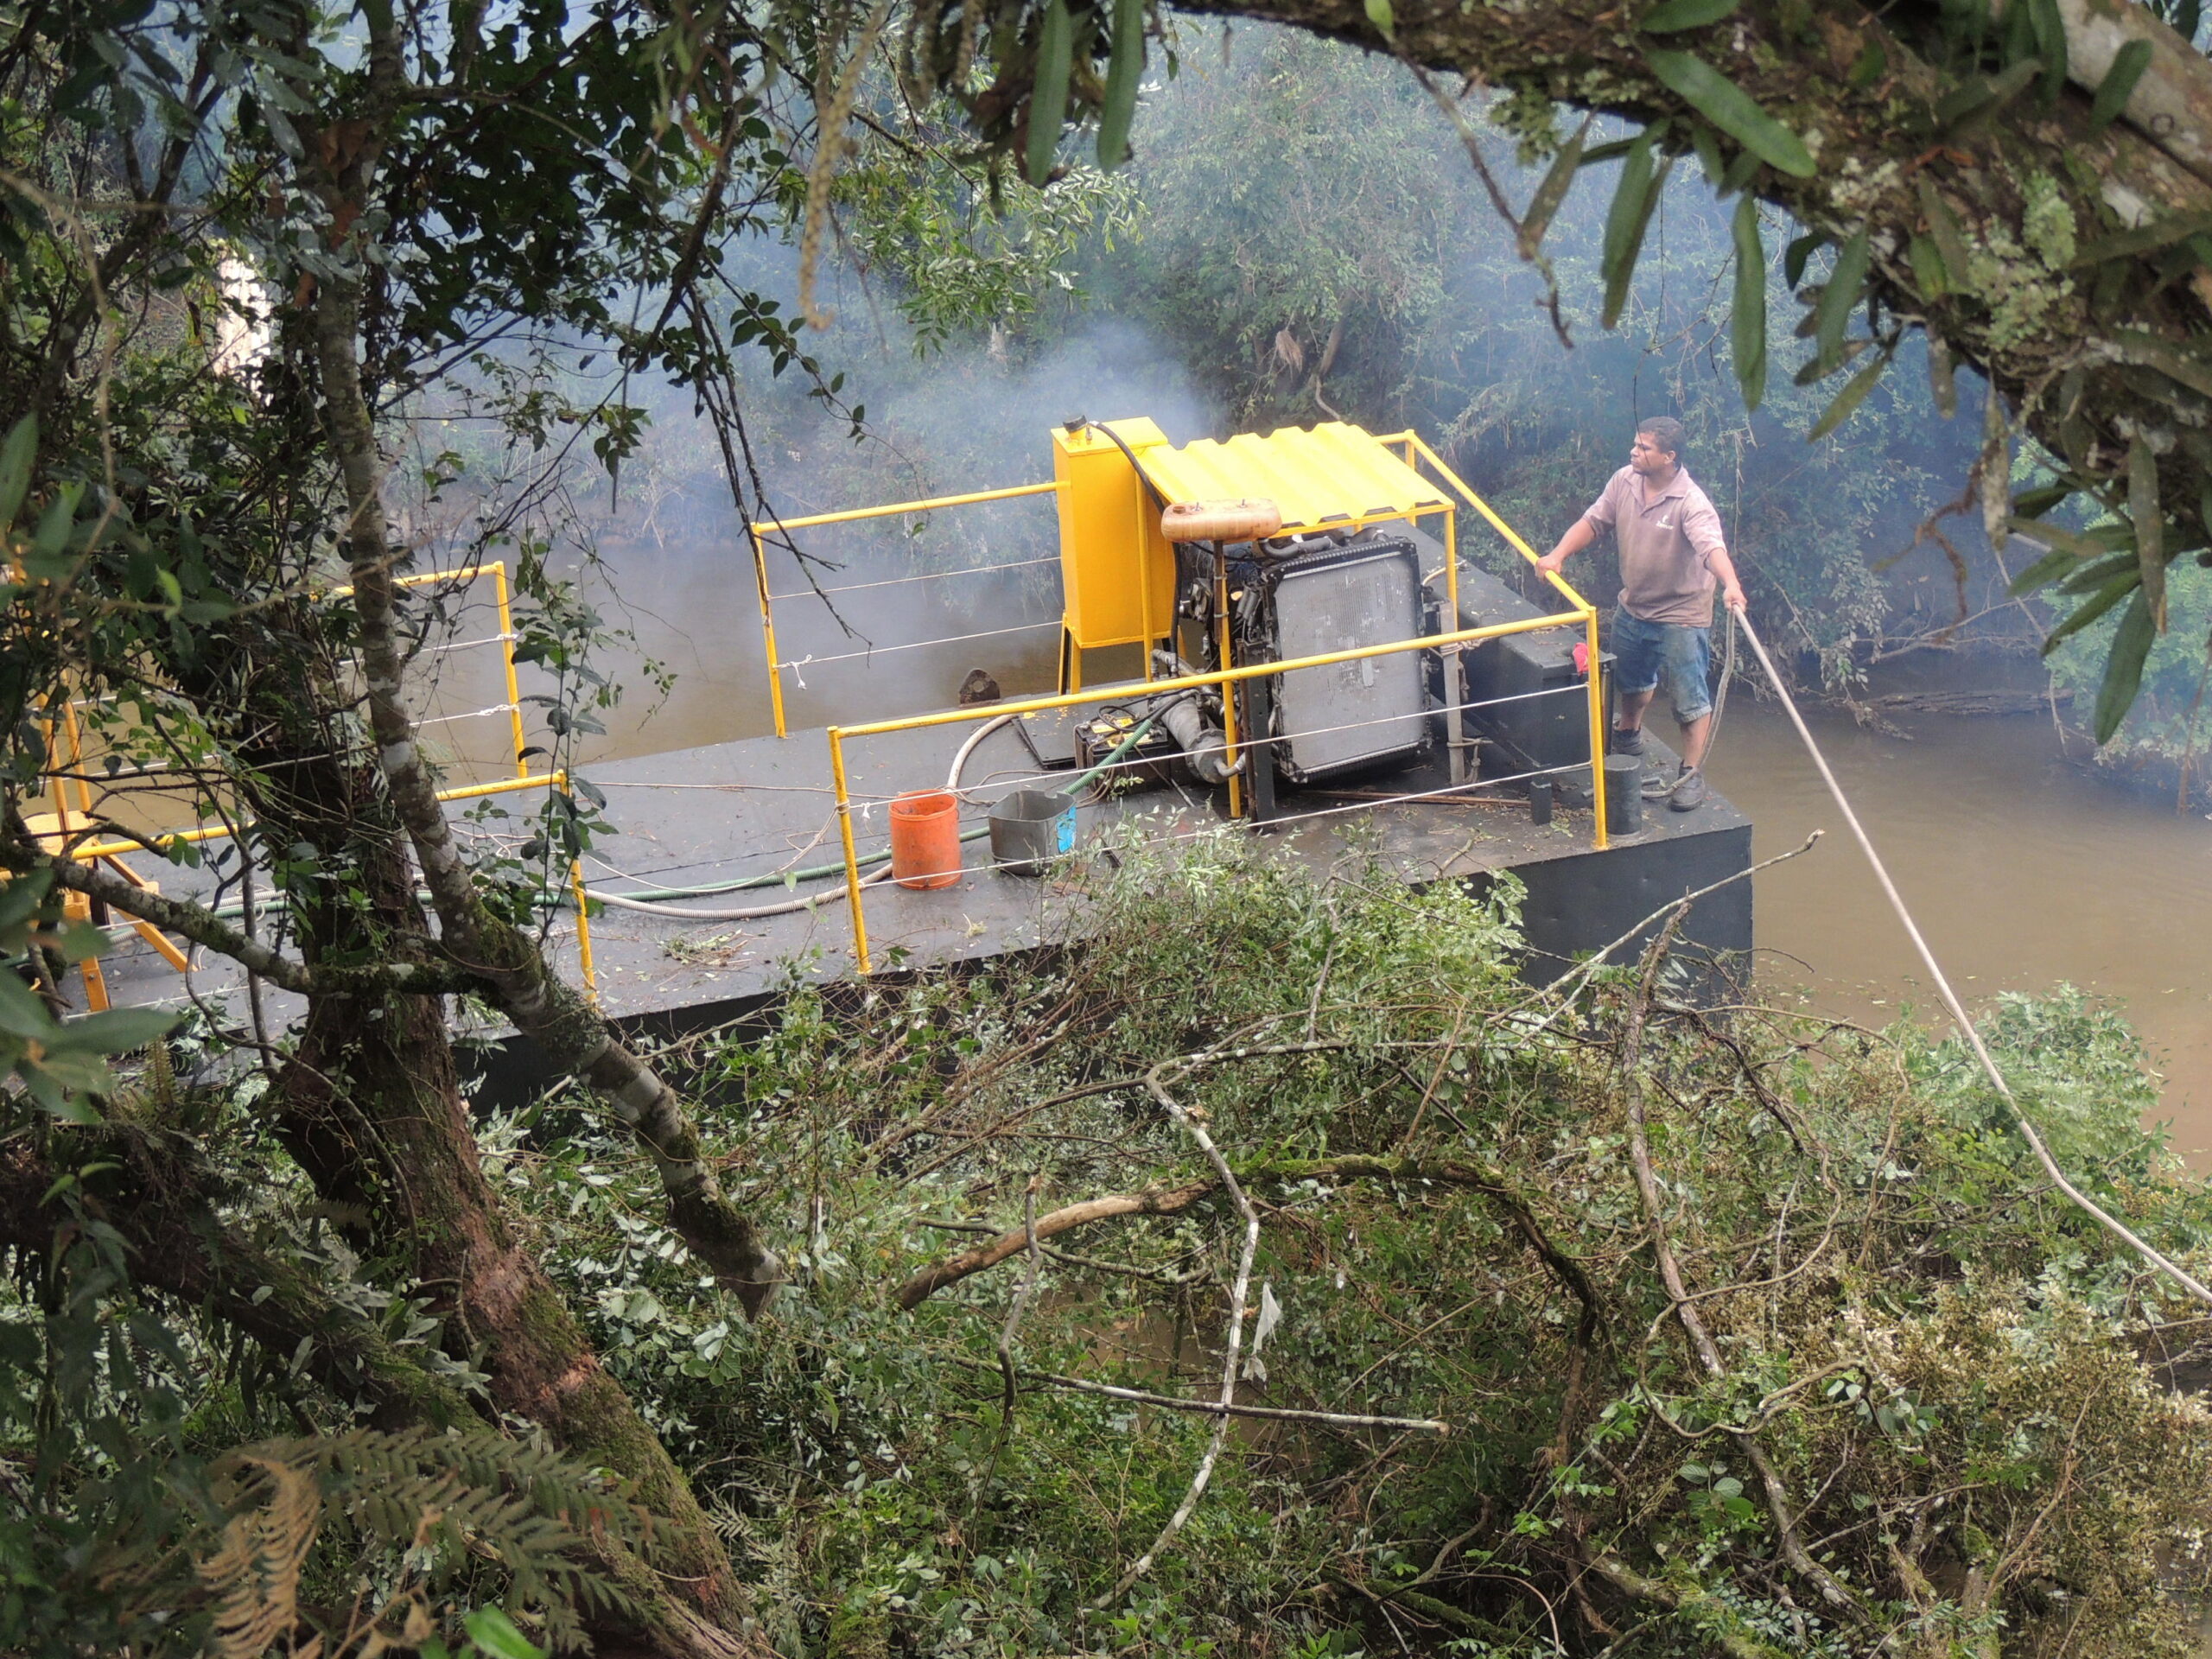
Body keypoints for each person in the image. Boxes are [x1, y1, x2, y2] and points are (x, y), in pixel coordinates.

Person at [1535, 416, 1746, 812]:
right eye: (1635, 444)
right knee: (1630, 682)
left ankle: (1690, 772)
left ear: (1669, 457)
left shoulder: (1691, 502)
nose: (1634, 452)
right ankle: (1629, 733)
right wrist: (1557, 555)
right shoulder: (1624, 481)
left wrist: (1731, 585)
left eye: (1645, 448)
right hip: (1635, 604)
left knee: (1689, 699)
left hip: (1683, 613)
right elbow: (1593, 521)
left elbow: (1711, 547)